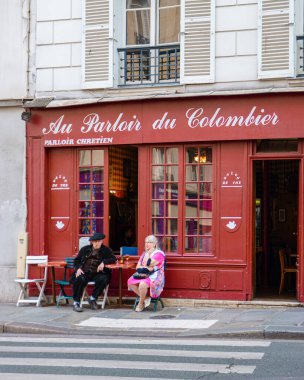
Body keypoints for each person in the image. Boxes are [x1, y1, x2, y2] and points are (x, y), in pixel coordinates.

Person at [71, 232, 117, 312]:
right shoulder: (85, 249)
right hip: (85, 272)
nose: (96, 243)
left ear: (102, 241)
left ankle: (92, 298)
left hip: (98, 273)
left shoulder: (106, 250)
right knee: (79, 278)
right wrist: (78, 268)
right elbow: (76, 261)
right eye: (95, 242)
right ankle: (76, 303)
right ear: (92, 242)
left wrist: (104, 262)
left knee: (104, 278)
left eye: (98, 241)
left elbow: (113, 258)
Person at [127, 234, 165, 312]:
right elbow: (138, 267)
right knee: (130, 282)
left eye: (149, 242)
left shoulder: (159, 254)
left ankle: (141, 304)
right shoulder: (144, 253)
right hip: (144, 275)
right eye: (146, 242)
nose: (147, 244)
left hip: (155, 276)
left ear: (155, 244)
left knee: (142, 284)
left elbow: (150, 264)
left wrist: (149, 256)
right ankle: (146, 298)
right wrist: (146, 267)